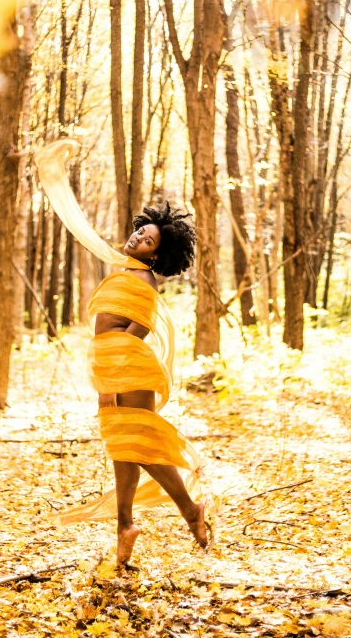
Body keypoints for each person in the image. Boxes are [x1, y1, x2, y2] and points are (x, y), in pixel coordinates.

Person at [35, 139, 209, 566]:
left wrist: (115, 369)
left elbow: (140, 327)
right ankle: (127, 525)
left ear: (157, 254)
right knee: (124, 444)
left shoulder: (144, 281)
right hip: (114, 363)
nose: (137, 237)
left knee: (139, 444)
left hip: (127, 366)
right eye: (140, 231)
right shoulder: (127, 269)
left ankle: (186, 510)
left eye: (147, 240)